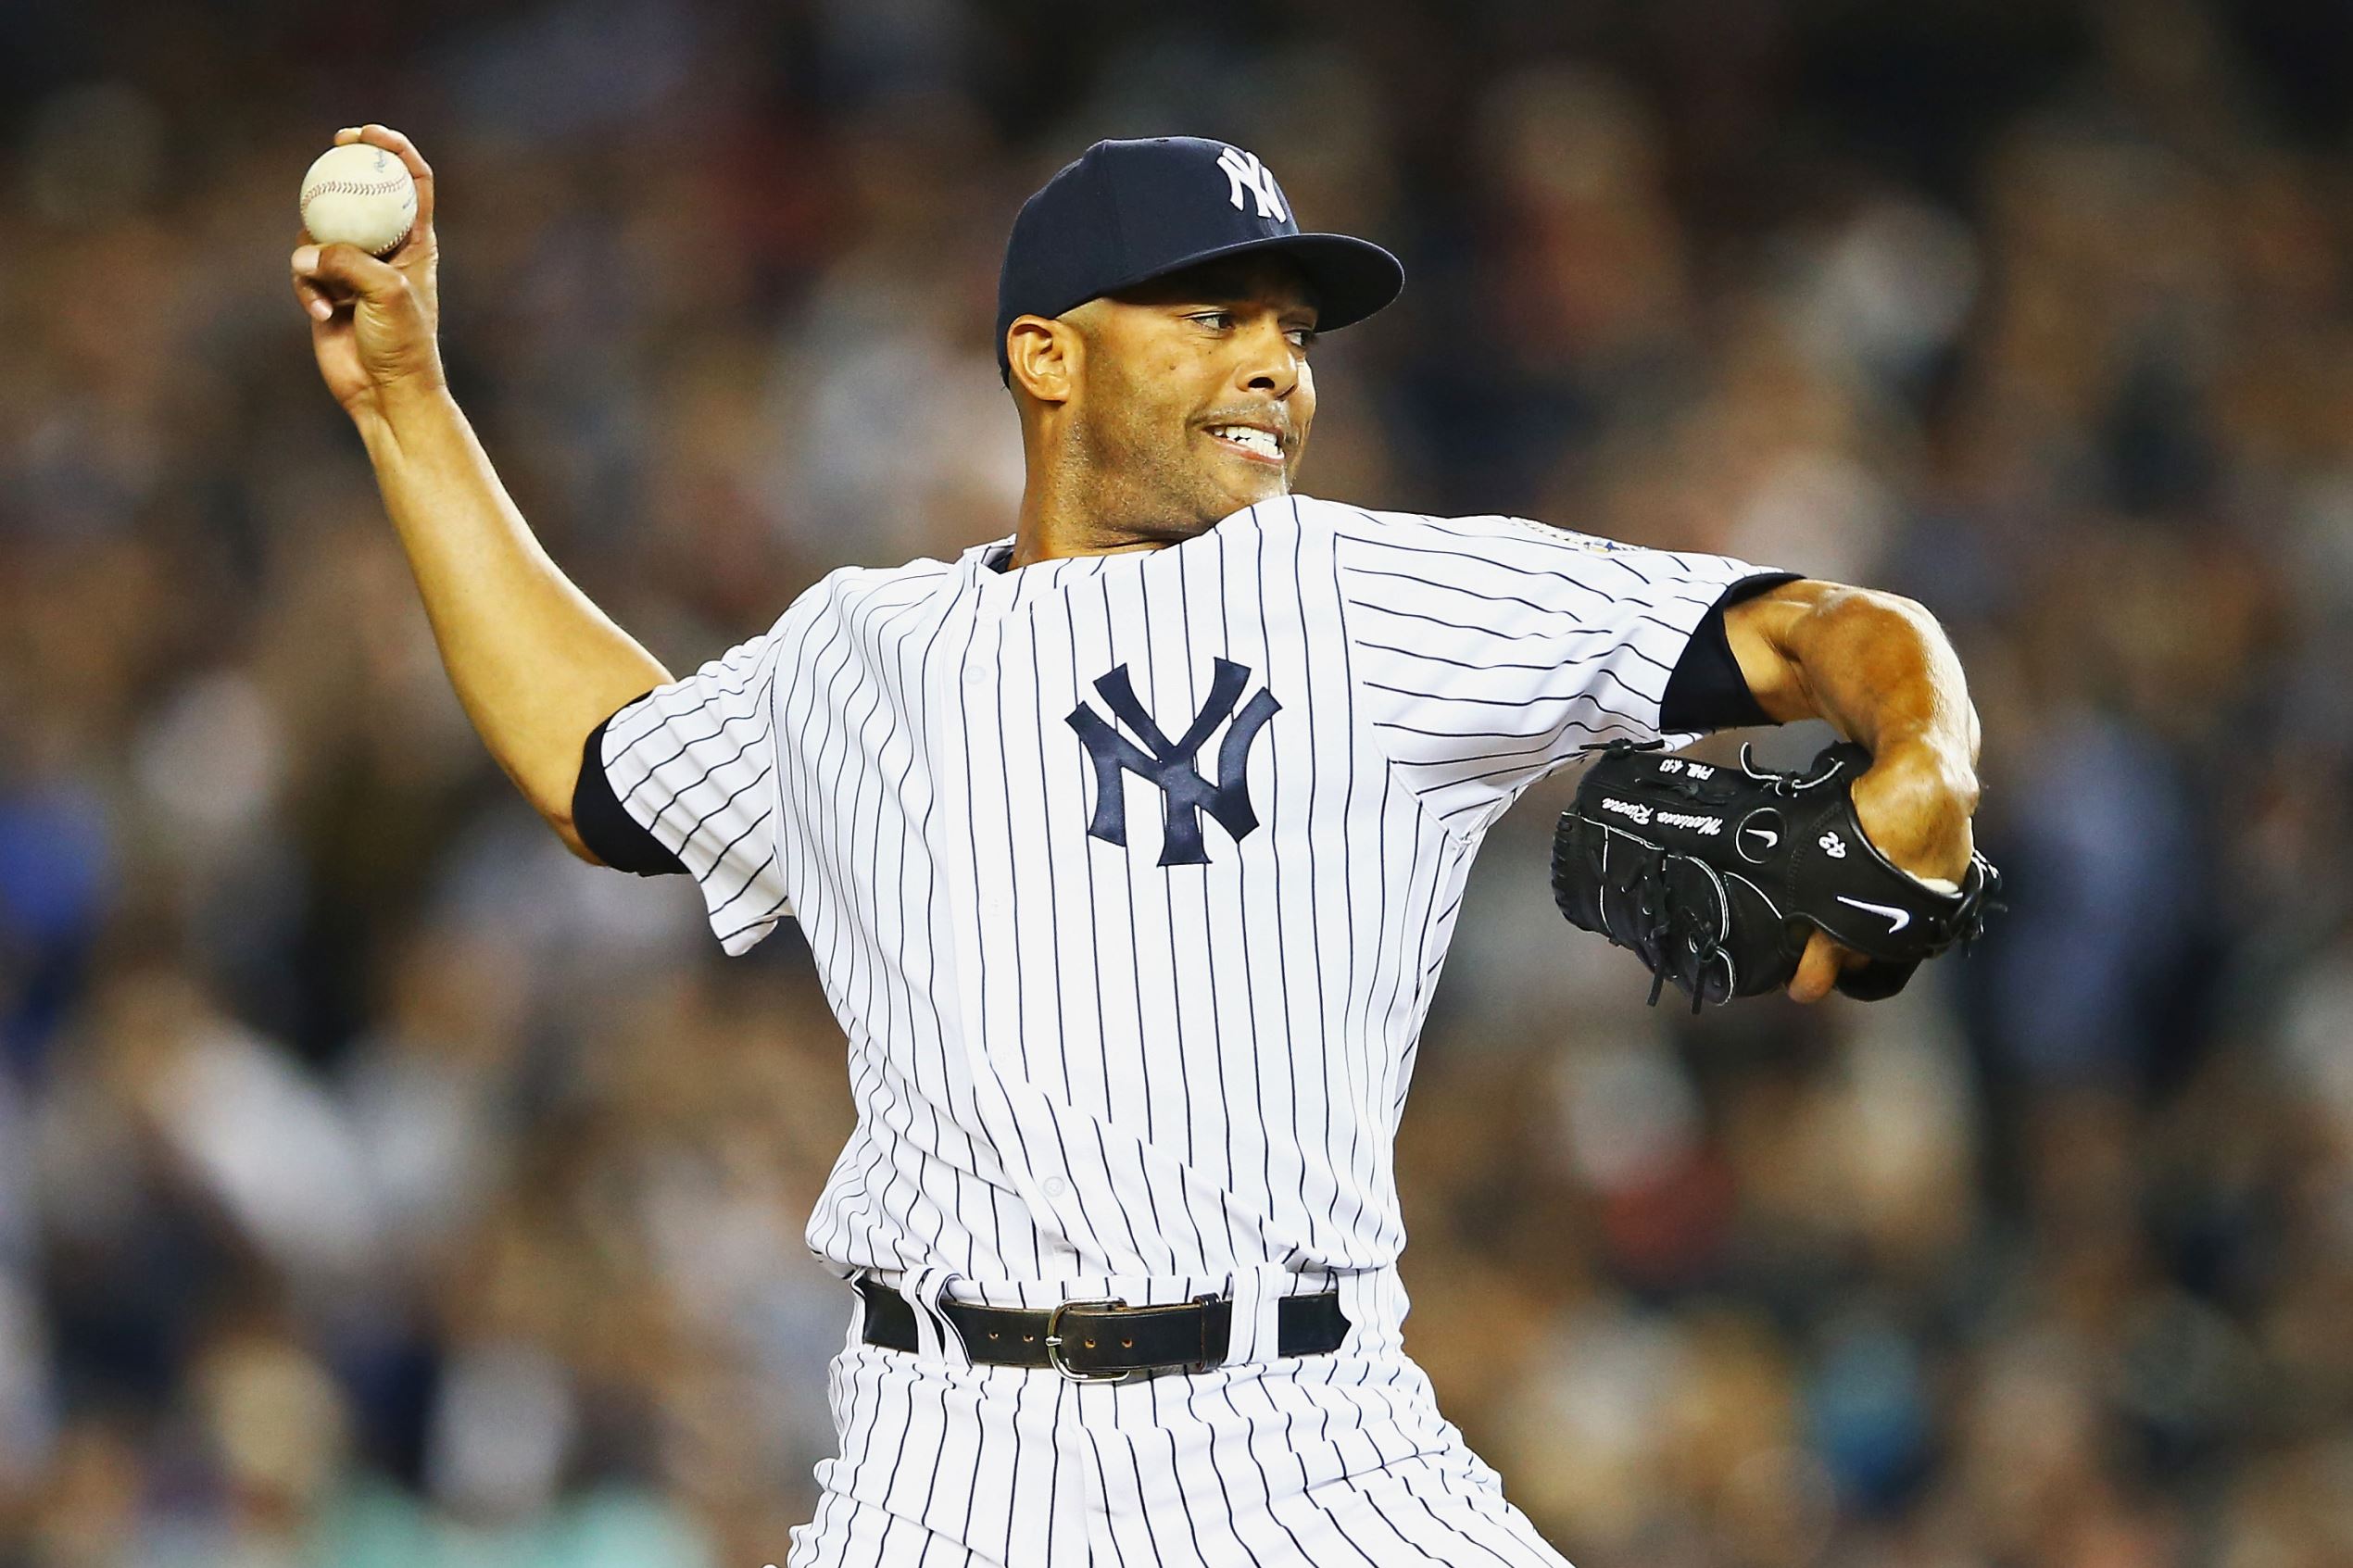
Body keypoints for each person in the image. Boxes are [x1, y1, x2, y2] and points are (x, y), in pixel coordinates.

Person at [293, 126, 1981, 1567]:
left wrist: (1928, 751)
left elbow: (1813, 625)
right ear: (1046, 355)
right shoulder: (857, 651)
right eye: (1212, 312)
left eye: (1295, 328)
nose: (1277, 360)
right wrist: (408, 406)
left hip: (1309, 1440)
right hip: (942, 1458)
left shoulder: (1377, 596)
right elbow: (602, 769)